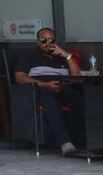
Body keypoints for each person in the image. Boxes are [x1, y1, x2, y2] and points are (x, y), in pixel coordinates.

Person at [14, 27, 83, 156]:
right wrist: (45, 84)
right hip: (41, 89)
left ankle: (88, 141)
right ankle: (65, 143)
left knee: (81, 99)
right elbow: (19, 77)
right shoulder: (29, 56)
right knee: (51, 100)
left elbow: (77, 77)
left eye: (51, 40)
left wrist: (67, 56)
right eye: (43, 40)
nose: (47, 43)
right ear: (37, 42)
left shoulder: (61, 56)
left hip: (64, 88)